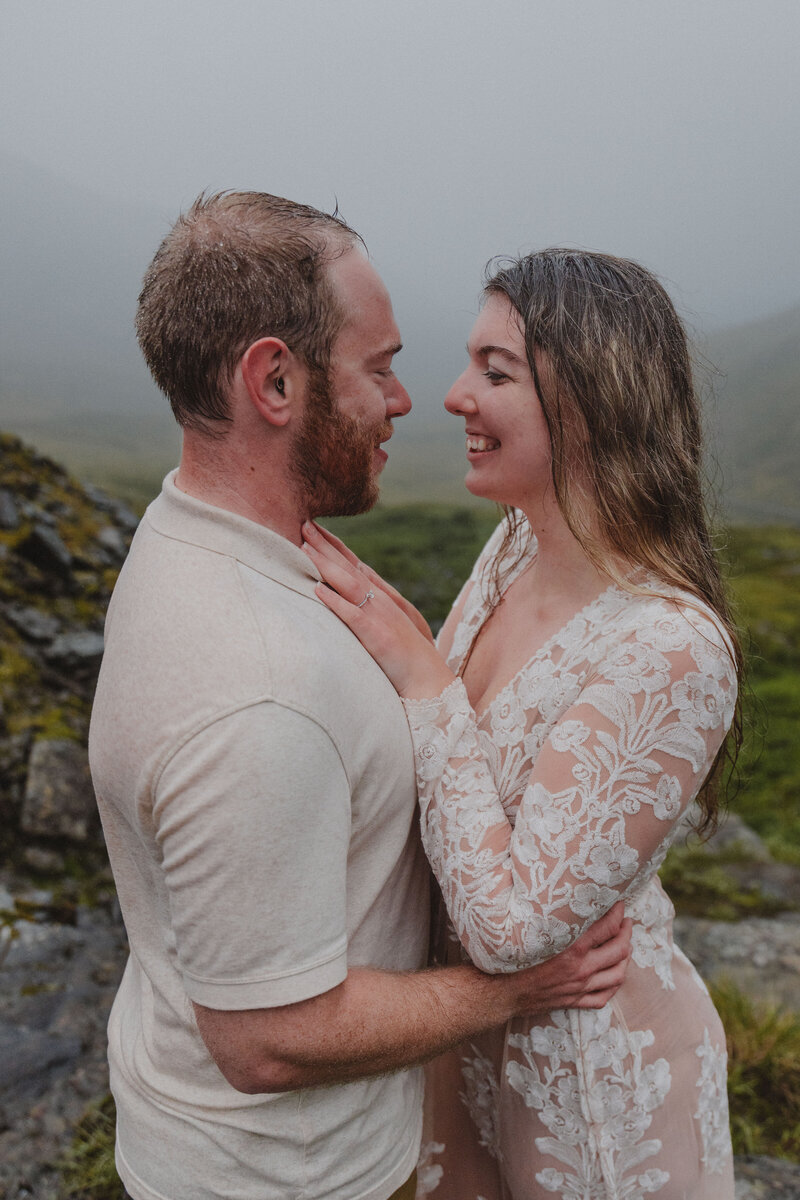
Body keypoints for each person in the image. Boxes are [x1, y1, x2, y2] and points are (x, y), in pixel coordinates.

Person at [88, 198, 632, 1200]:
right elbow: (269, 1038)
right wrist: (515, 986)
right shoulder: (256, 693)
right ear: (275, 379)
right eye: (376, 366)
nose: (406, 399)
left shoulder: (200, 538)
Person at [303, 247, 743, 1199]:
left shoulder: (672, 648)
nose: (455, 395)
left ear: (590, 403)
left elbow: (509, 929)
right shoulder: (514, 549)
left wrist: (422, 675)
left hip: (595, 1095)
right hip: (471, 1056)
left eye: (495, 372)